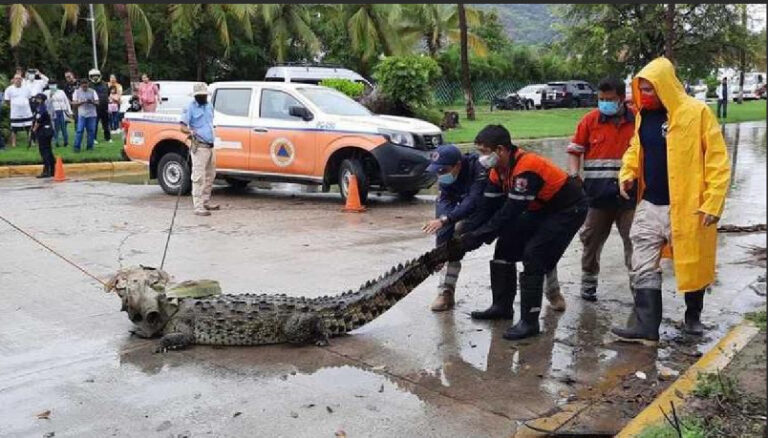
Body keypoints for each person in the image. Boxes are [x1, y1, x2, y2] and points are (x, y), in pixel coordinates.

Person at [611, 57, 731, 346]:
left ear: (665, 86)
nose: (644, 96)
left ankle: (692, 318)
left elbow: (717, 159)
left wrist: (713, 202)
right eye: (641, 90)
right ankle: (647, 328)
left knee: (692, 262)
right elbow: (635, 148)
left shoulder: (696, 112)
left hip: (689, 205)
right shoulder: (644, 116)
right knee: (642, 261)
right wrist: (628, 172)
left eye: (650, 90)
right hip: (650, 203)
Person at [448, 125, 587, 340]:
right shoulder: (497, 172)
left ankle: (530, 322)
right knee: (505, 246)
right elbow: (487, 208)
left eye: (484, 152)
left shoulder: (527, 168)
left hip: (567, 210)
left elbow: (510, 212)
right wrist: (466, 232)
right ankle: (502, 307)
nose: (481, 158)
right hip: (539, 208)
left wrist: (478, 237)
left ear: (501, 150)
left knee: (534, 255)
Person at [567, 77, 637, 302]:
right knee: (591, 241)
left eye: (610, 99)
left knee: (635, 242)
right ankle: (588, 285)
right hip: (597, 197)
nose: (605, 103)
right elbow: (574, 151)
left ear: (621, 99)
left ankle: (639, 289)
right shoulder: (590, 121)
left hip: (630, 197)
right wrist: (574, 173)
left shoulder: (637, 121)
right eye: (601, 99)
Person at [422, 144, 488, 311]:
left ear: (457, 165)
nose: (440, 176)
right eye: (437, 171)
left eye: (443, 171)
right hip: (472, 210)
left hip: (494, 209)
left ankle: (551, 291)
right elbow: (444, 210)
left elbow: (472, 201)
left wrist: (446, 220)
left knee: (528, 249)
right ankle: (445, 292)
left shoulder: (479, 168)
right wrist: (440, 252)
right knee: (451, 243)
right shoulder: (446, 178)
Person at [180, 83, 218, 216]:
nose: (203, 97)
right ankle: (198, 206)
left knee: (210, 175)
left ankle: (206, 201)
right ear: (196, 96)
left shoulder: (209, 106)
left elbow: (210, 122)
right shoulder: (190, 107)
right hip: (199, 145)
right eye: (201, 96)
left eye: (204, 95)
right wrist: (191, 132)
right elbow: (182, 126)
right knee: (198, 177)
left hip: (210, 145)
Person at [3, 74, 34, 148]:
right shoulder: (9, 89)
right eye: (16, 78)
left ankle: (30, 142)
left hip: (26, 112)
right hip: (15, 113)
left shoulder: (27, 88)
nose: (18, 80)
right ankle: (14, 143)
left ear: (22, 80)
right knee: (14, 129)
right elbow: (7, 100)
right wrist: (14, 106)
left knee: (29, 127)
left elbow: (30, 98)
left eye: (19, 79)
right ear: (13, 80)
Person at [31, 93, 55, 178]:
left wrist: (33, 130)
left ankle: (46, 171)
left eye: (37, 99)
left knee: (44, 151)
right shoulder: (44, 107)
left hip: (43, 132)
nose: (35, 100)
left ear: (40, 99)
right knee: (48, 150)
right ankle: (53, 170)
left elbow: (38, 121)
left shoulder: (41, 108)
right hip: (48, 130)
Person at [72, 78, 99, 152]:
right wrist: (81, 102)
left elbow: (97, 102)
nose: (85, 88)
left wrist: (92, 102)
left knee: (91, 131)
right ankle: (77, 147)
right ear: (80, 85)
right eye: (83, 86)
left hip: (92, 114)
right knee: (79, 130)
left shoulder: (93, 91)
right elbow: (74, 103)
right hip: (82, 114)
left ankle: (90, 147)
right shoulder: (76, 92)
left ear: (88, 84)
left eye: (86, 86)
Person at [88, 69, 111, 143]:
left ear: (99, 75)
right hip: (94, 108)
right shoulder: (89, 85)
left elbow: (108, 93)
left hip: (104, 107)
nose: (95, 77)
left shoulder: (105, 84)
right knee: (94, 124)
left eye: (96, 75)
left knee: (106, 124)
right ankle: (93, 138)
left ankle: (108, 138)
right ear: (90, 76)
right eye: (93, 76)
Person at [47, 82, 72, 148]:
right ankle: (56, 142)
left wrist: (69, 111)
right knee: (56, 128)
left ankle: (66, 142)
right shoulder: (47, 92)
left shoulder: (61, 92)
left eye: (54, 84)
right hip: (54, 111)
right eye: (51, 85)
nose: (52, 86)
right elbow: (48, 104)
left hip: (62, 111)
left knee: (64, 127)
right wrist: (50, 96)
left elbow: (66, 101)